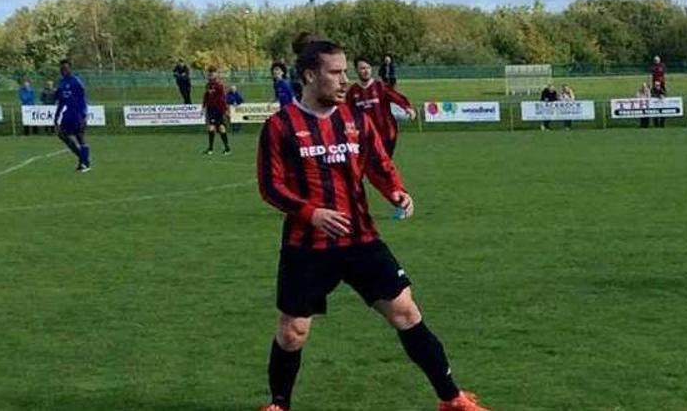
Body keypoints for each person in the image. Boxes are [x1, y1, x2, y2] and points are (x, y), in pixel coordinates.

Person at [255, 38, 488, 411]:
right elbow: (271, 186)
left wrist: (396, 192)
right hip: (306, 246)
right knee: (292, 332)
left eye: (345, 70)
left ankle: (452, 399)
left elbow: (377, 165)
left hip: (361, 239)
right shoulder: (280, 126)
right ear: (310, 75)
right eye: (335, 72)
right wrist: (310, 213)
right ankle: (279, 405)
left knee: (406, 312)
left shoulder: (355, 120)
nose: (344, 79)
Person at [347, 58, 416, 156]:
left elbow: (396, 96)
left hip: (386, 133)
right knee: (371, 165)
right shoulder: (353, 91)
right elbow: (346, 110)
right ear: (356, 70)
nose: (366, 71)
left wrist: (407, 107)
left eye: (368, 68)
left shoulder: (380, 86)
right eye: (362, 68)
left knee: (384, 163)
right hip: (365, 135)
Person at [54, 59, 91, 172]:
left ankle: (85, 163)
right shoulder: (61, 83)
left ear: (70, 68)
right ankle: (83, 159)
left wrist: (84, 115)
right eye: (61, 68)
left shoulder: (76, 82)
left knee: (80, 137)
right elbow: (60, 101)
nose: (63, 70)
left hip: (77, 113)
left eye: (65, 68)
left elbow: (84, 99)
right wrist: (56, 117)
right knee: (62, 135)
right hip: (67, 114)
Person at [203, 67, 231, 155]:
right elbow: (206, 96)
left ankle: (227, 148)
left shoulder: (219, 85)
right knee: (211, 127)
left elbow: (223, 99)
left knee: (221, 127)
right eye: (209, 74)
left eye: (212, 73)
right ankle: (210, 149)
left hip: (218, 109)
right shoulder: (208, 85)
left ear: (216, 74)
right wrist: (203, 106)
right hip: (211, 109)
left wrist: (225, 110)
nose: (210, 75)